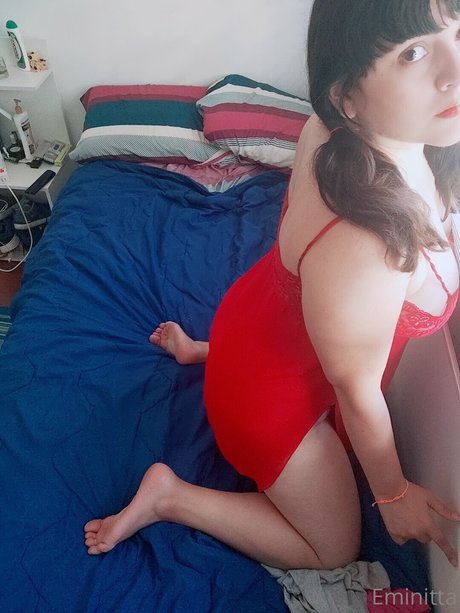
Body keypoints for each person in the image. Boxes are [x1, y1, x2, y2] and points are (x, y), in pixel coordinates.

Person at [84, 0, 460, 570]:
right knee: (332, 550)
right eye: (412, 53)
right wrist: (394, 494)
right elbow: (357, 391)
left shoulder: (336, 132)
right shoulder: (368, 248)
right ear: (347, 96)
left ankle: (205, 354)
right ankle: (171, 496)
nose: (453, 70)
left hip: (246, 328)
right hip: (263, 400)